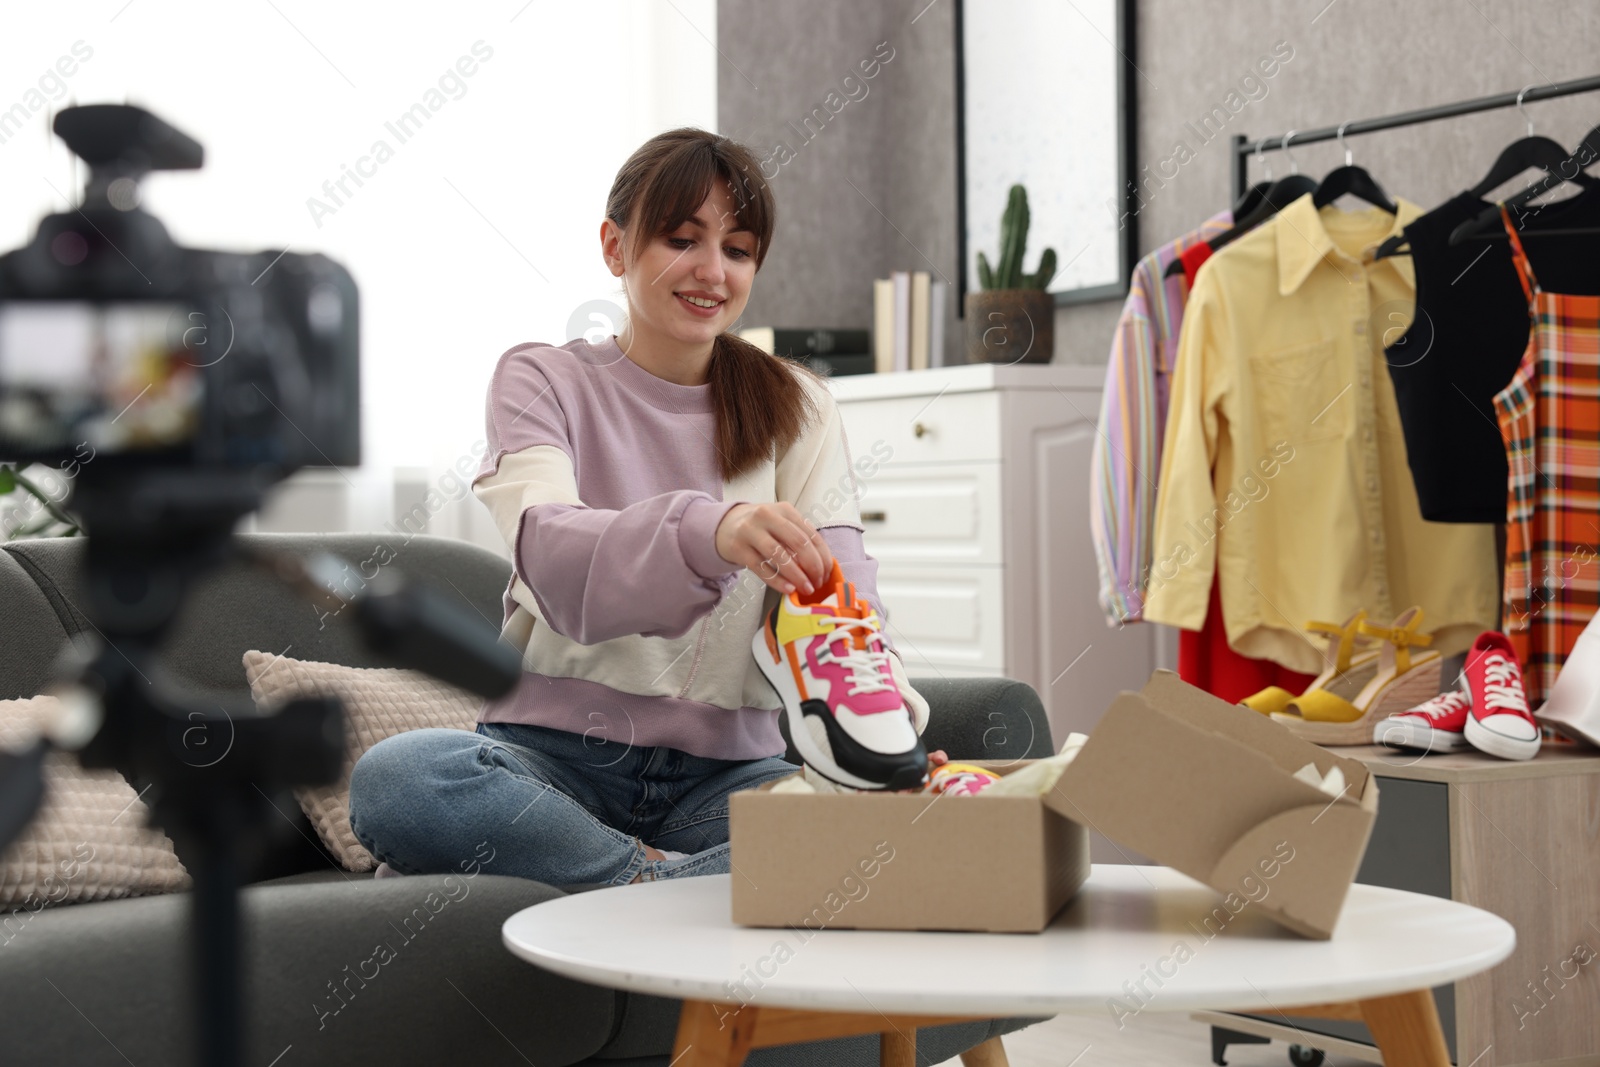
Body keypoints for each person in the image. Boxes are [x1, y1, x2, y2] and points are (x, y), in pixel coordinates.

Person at [347, 127, 930, 890]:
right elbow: (552, 553)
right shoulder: (542, 380)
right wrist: (709, 530)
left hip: (726, 778)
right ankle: (664, 885)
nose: (712, 271)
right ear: (615, 248)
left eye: (739, 249)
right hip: (550, 761)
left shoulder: (799, 404)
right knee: (398, 779)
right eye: (682, 239)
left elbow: (844, 604)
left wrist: (886, 747)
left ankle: (615, 885)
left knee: (890, 829)